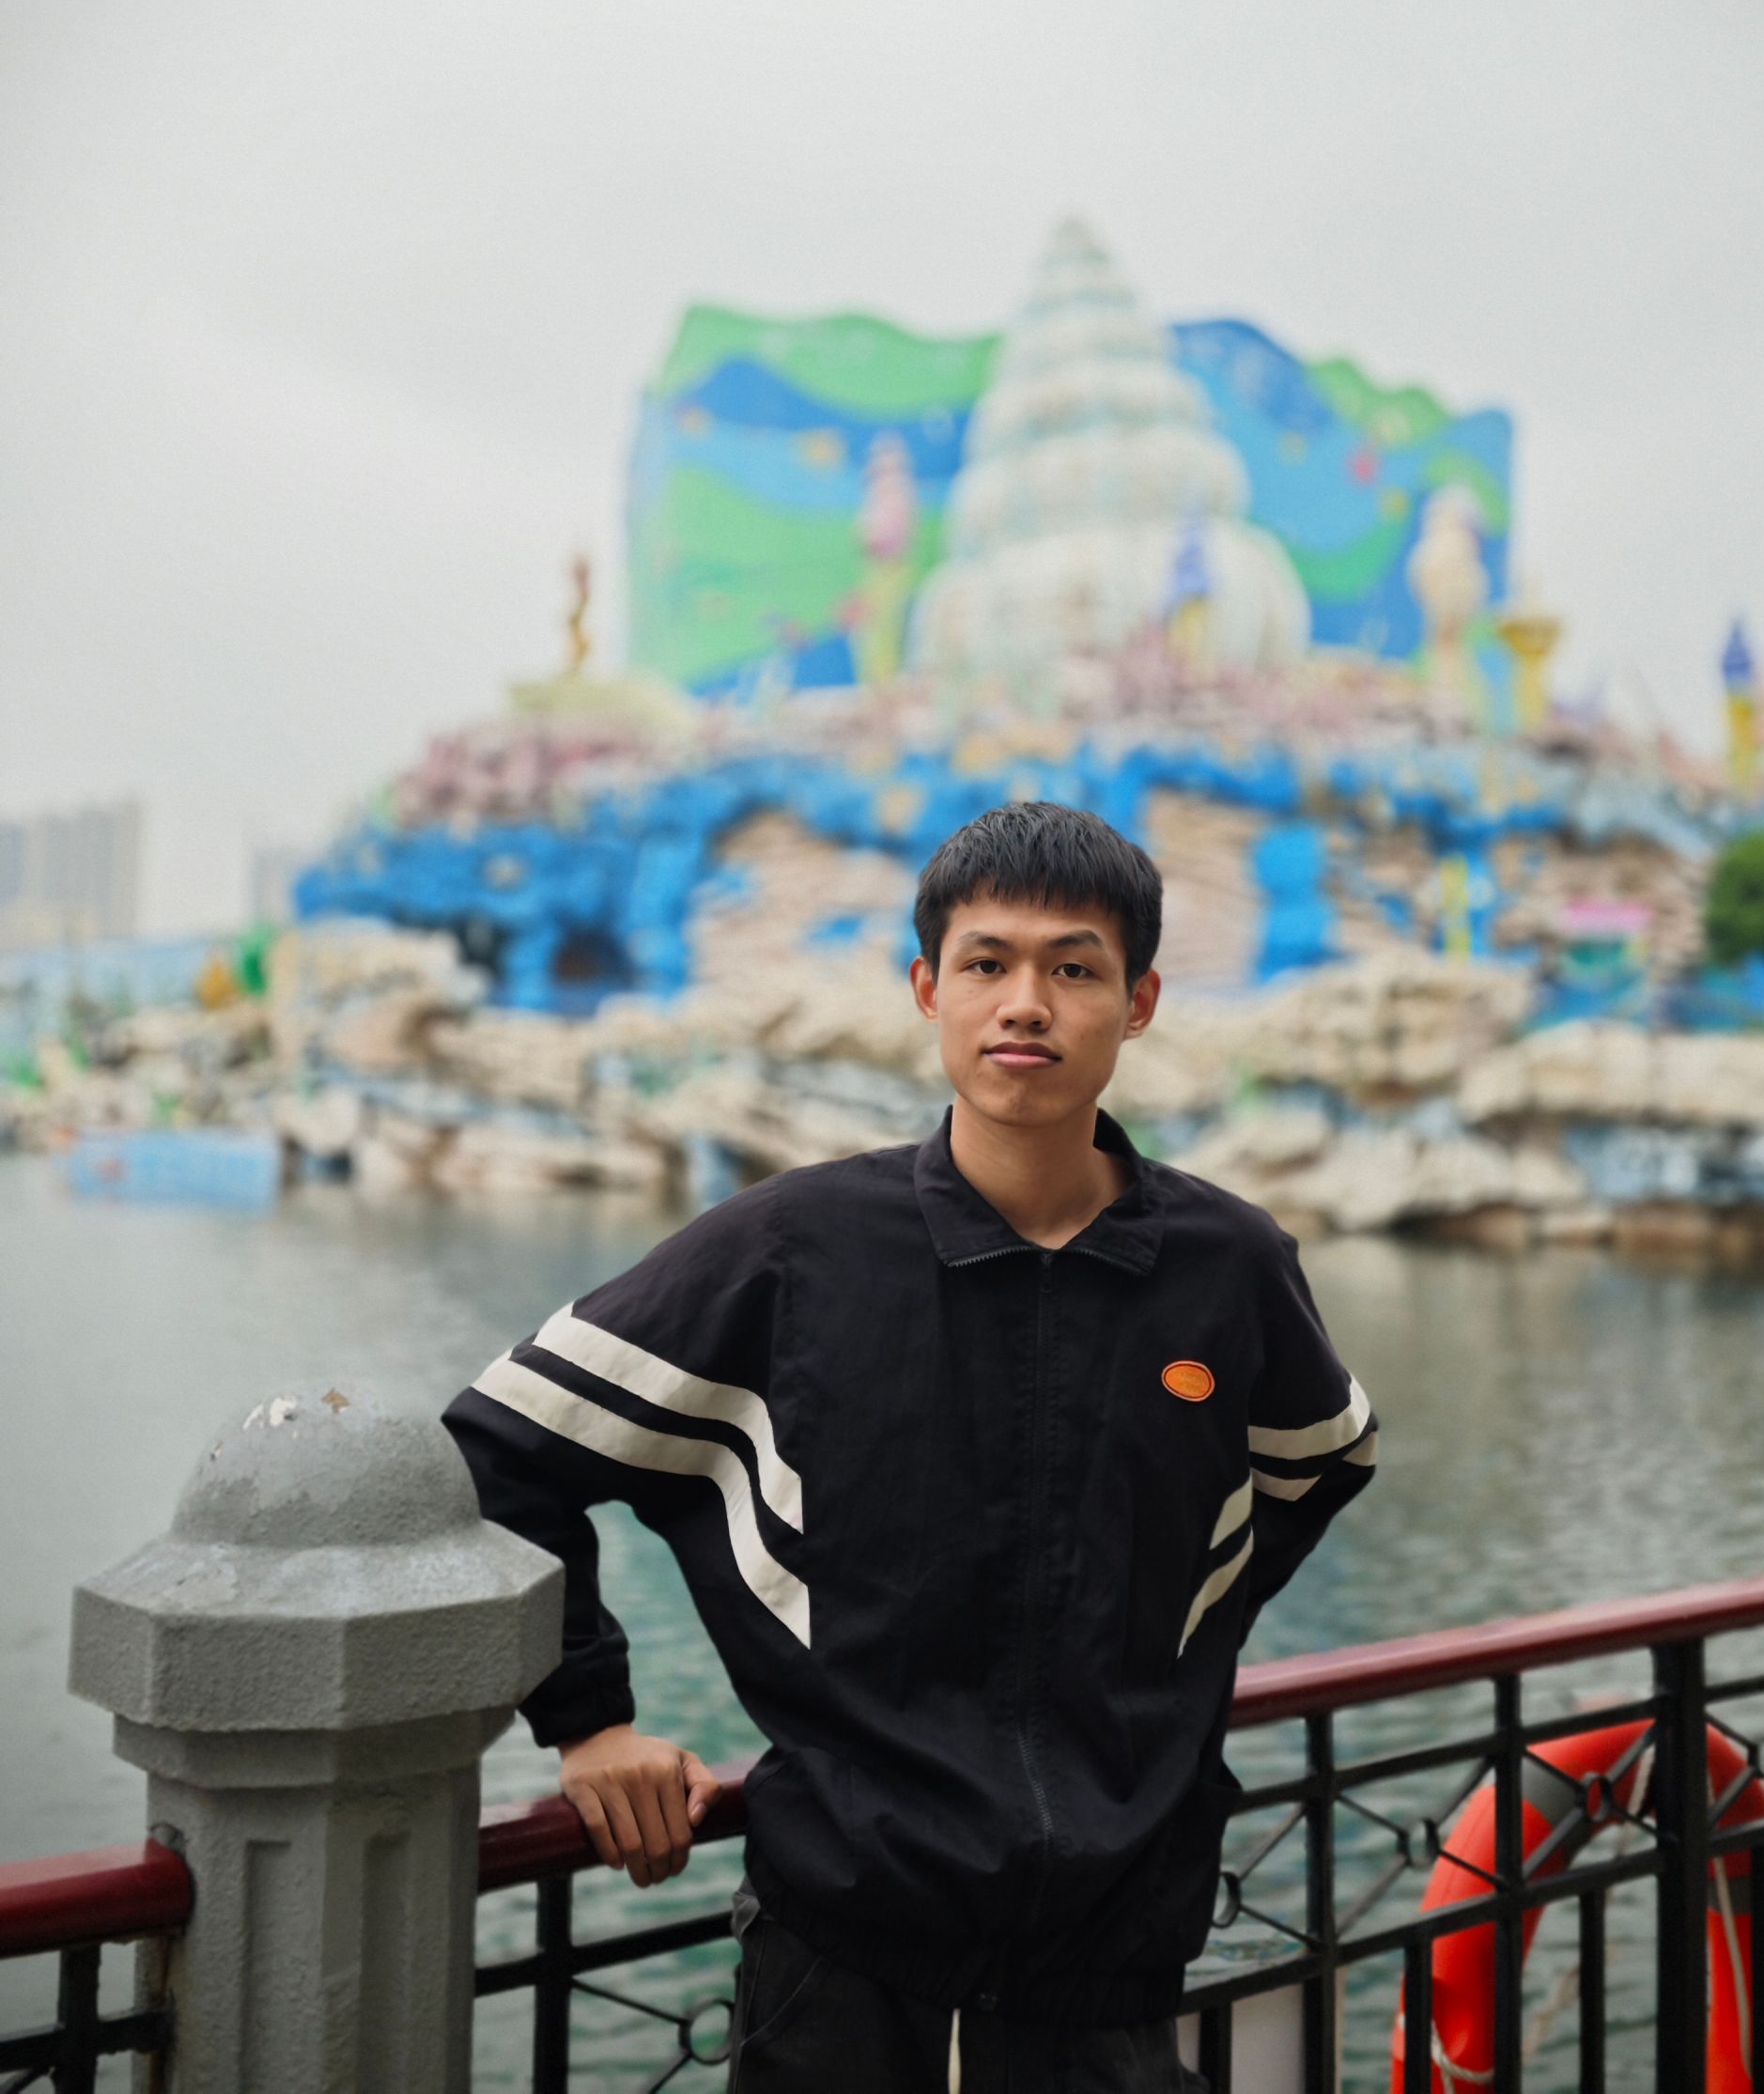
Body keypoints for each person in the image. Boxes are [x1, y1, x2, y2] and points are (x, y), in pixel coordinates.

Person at [444, 801, 1376, 2092]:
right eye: (988, 963)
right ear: (929, 988)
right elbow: (500, 1447)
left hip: (1113, 1962)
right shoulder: (795, 1249)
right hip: (842, 1954)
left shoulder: (1230, 1268)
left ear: (1140, 1002)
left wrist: (1150, 1656)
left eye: (1075, 968)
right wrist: (588, 1717)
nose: (1026, 1004)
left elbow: (1314, 1465)